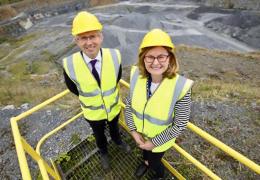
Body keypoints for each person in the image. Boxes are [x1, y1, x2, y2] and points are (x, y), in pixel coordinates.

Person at [63, 11, 130, 170]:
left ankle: (118, 141)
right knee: (99, 135)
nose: (89, 42)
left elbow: (116, 78)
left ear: (101, 37)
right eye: (83, 38)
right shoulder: (69, 64)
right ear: (76, 41)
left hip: (113, 107)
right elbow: (73, 88)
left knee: (115, 128)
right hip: (93, 114)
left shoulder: (114, 56)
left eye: (92, 36)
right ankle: (103, 152)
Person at [125, 29, 193, 180]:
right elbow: (129, 104)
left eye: (161, 56)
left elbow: (180, 124)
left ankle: (158, 175)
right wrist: (134, 132)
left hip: (160, 143)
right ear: (143, 58)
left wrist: (153, 143)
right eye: (150, 57)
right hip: (140, 135)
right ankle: (146, 162)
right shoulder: (136, 76)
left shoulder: (181, 87)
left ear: (170, 58)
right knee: (145, 155)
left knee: (156, 162)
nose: (155, 62)